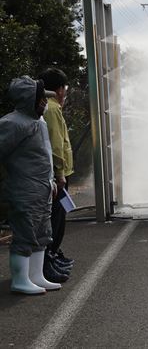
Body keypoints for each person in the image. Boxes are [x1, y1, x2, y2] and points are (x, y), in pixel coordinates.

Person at [0, 76, 61, 294]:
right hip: (24, 189)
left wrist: (51, 179)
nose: (45, 102)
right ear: (29, 99)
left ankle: (36, 276)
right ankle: (20, 279)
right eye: (41, 98)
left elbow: (45, 155)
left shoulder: (38, 121)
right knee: (25, 235)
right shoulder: (13, 123)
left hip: (41, 188)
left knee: (42, 233)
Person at [38, 68, 74, 281]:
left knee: (59, 217)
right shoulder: (51, 109)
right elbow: (55, 145)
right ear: (59, 89)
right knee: (54, 219)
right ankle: (48, 259)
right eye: (65, 88)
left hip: (61, 173)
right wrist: (59, 173)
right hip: (58, 175)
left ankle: (53, 255)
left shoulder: (50, 107)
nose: (65, 92)